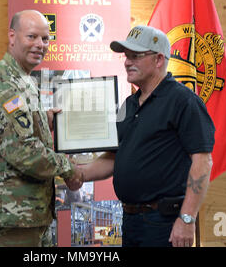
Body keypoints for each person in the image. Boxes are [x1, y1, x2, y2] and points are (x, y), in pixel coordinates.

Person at [79, 25, 215, 247]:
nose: (127, 62)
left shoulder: (183, 101)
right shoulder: (129, 104)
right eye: (126, 56)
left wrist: (187, 219)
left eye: (136, 56)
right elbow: (114, 158)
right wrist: (78, 174)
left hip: (164, 223)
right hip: (131, 219)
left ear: (159, 60)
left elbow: (202, 162)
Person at [0, 9, 82, 247]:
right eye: (32, 37)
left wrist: (44, 120)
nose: (40, 44)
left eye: (45, 38)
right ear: (12, 37)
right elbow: (23, 152)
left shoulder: (22, 79)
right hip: (5, 224)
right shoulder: (5, 84)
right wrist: (68, 168)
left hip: (25, 218)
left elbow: (16, 131)